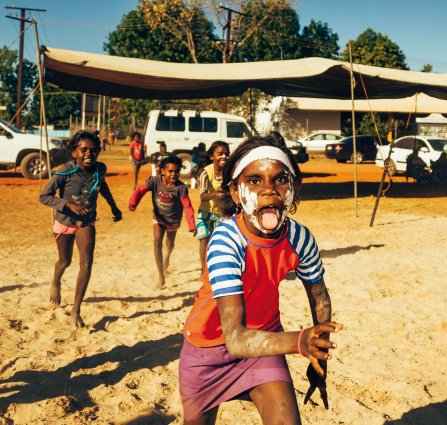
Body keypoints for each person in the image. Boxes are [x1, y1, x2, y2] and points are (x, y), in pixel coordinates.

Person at [179, 135, 343, 424]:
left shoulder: (299, 237)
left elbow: (319, 297)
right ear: (234, 192)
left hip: (265, 342)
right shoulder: (226, 241)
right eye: (254, 181)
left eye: (280, 179)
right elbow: (236, 340)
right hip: (207, 352)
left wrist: (320, 353)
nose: (269, 190)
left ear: (295, 187)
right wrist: (300, 340)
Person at [39, 130, 123, 328]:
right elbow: (44, 196)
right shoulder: (64, 171)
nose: (88, 154)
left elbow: (102, 186)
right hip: (64, 221)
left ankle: (76, 310)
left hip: (86, 222)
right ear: (74, 152)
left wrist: (113, 206)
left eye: (93, 150)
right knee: (65, 261)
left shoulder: (99, 169)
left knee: (86, 263)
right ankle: (56, 281)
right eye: (83, 150)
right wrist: (68, 204)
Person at [129, 156, 196, 289]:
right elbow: (140, 190)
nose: (173, 174)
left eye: (176, 172)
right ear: (163, 171)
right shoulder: (154, 181)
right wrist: (133, 202)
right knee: (157, 242)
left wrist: (191, 224)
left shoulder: (180, 188)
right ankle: (161, 275)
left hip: (173, 219)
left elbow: (187, 206)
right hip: (159, 218)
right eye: (170, 171)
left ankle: (168, 257)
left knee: (170, 244)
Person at [195, 141, 230, 276]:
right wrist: (216, 194)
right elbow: (203, 195)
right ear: (212, 157)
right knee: (204, 241)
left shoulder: (230, 173)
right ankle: (204, 271)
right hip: (205, 213)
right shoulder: (205, 173)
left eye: (226, 154)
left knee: (219, 243)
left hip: (222, 214)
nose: (224, 157)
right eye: (220, 154)